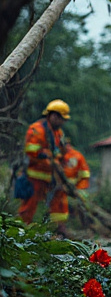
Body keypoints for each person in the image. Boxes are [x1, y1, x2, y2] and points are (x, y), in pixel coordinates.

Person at [19, 100, 71, 235]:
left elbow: (58, 152)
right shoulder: (37, 129)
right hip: (34, 176)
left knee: (57, 201)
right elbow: (32, 150)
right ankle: (21, 233)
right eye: (61, 119)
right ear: (53, 116)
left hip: (50, 177)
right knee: (29, 206)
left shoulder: (58, 133)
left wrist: (60, 156)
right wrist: (47, 155)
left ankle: (57, 230)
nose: (63, 122)